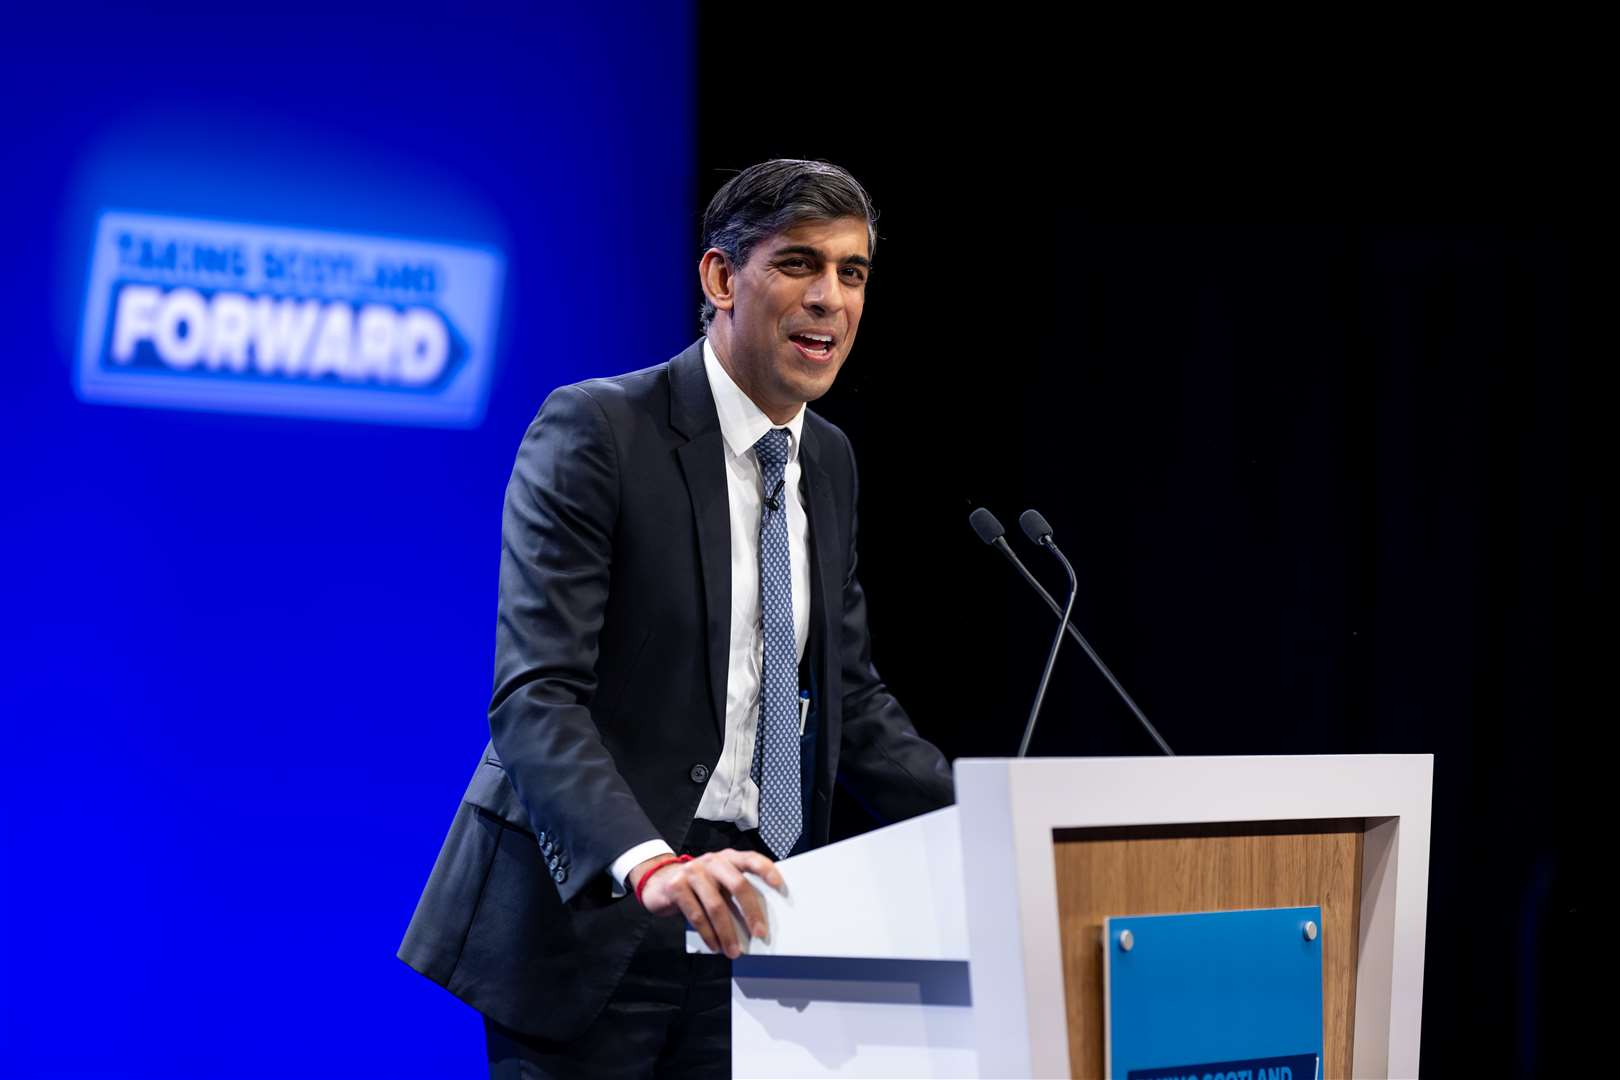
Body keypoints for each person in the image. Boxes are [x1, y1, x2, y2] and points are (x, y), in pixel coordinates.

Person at [397, 158, 954, 1077]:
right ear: (722, 278)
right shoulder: (597, 431)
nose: (830, 300)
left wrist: (1008, 828)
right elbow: (537, 697)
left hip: (758, 920)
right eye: (800, 266)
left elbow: (849, 703)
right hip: (597, 916)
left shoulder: (831, 462)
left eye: (851, 274)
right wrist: (653, 864)